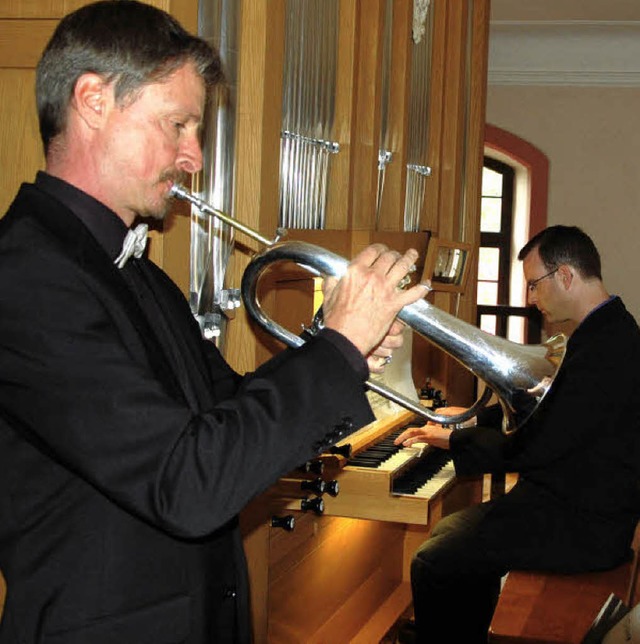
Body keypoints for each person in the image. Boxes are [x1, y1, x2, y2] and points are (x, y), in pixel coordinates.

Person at [0, 2, 429, 642]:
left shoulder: (138, 272)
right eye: (178, 124)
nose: (194, 157)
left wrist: (346, 349)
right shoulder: (27, 278)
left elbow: (224, 408)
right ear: (93, 100)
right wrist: (335, 348)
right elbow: (187, 483)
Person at [395, 225, 640, 643]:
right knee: (447, 535)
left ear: (565, 276)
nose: (530, 298)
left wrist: (451, 439)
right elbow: (544, 408)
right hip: (570, 502)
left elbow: (535, 446)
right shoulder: (604, 331)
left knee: (431, 561)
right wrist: (472, 420)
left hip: (586, 527)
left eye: (534, 285)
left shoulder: (606, 350)